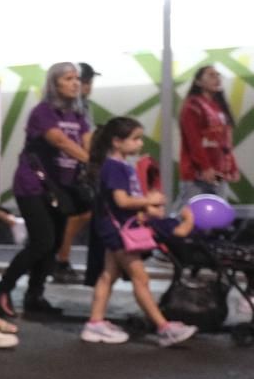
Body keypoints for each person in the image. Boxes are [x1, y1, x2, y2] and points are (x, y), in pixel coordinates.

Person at [80, 115, 198, 347]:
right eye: (135, 139)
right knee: (140, 278)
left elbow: (119, 203)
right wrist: (147, 200)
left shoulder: (119, 165)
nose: (140, 144)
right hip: (119, 231)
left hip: (115, 229)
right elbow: (122, 201)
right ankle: (164, 328)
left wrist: (146, 209)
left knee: (108, 275)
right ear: (117, 141)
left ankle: (95, 323)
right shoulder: (115, 168)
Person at [0, 63, 91, 319]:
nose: (75, 83)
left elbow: (88, 143)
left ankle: (35, 295)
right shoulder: (43, 112)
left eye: (77, 79)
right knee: (42, 241)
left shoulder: (79, 115)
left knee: (55, 243)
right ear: (55, 84)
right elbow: (60, 141)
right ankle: (3, 288)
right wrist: (92, 163)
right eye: (68, 79)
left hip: (62, 188)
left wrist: (100, 162)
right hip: (33, 185)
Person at [53, 62, 101, 283]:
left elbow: (86, 137)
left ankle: (60, 259)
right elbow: (63, 140)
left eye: (81, 81)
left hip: (77, 168)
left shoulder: (83, 107)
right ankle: (60, 260)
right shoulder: (59, 107)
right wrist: (91, 161)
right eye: (84, 82)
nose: (86, 86)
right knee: (75, 215)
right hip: (64, 171)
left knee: (82, 213)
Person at [178, 65, 241, 203]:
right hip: (196, 174)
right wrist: (206, 167)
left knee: (218, 214)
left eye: (218, 75)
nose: (217, 78)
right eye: (211, 75)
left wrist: (233, 166)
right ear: (198, 82)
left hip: (219, 173)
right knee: (191, 217)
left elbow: (226, 143)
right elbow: (193, 141)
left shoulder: (220, 107)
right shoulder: (192, 106)